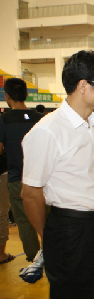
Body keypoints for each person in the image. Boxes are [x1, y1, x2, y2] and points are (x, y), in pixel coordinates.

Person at [21, 50, 94, 299]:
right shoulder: (48, 131)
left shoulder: (91, 124)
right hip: (72, 231)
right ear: (83, 86)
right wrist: (48, 236)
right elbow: (30, 193)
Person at [0, 78, 44, 262]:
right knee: (47, 219)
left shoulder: (3, 120)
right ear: (26, 94)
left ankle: (34, 259)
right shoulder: (40, 118)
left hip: (18, 178)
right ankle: (53, 255)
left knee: (25, 222)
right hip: (43, 178)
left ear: (7, 96)